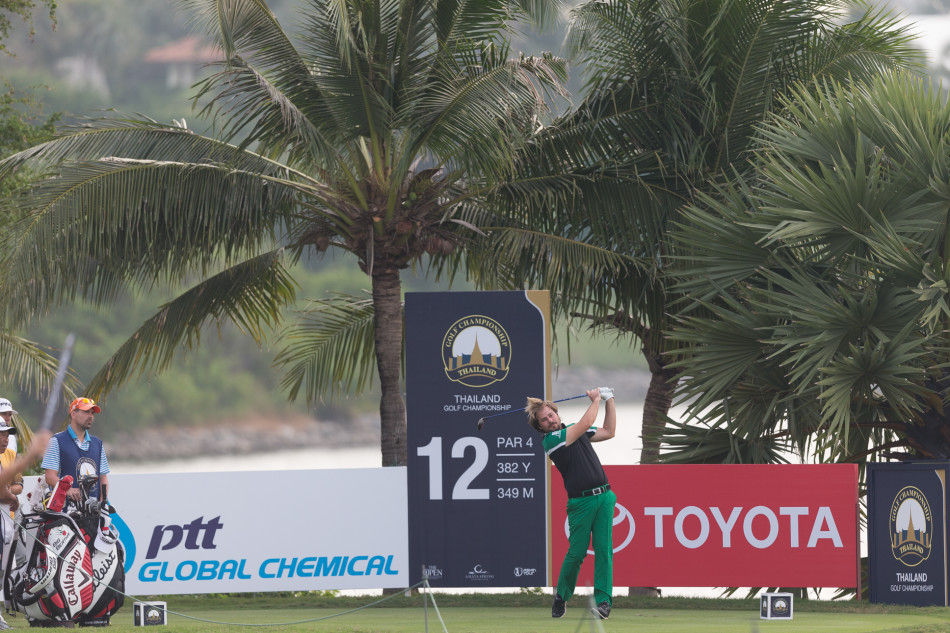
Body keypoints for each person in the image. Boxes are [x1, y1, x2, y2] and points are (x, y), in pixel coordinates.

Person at [527, 386, 617, 621]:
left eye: (551, 415)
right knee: (577, 553)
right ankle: (562, 596)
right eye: (544, 420)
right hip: (580, 503)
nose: (550, 420)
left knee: (604, 550)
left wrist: (609, 399)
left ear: (557, 413)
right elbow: (586, 423)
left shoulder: (574, 431)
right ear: (540, 427)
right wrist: (596, 399)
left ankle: (604, 602)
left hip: (605, 497)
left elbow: (609, 431)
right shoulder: (551, 441)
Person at [41, 397, 111, 509]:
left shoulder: (98, 444)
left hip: (93, 512)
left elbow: (103, 478)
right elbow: (49, 476)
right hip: (64, 512)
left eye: (92, 413)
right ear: (73, 414)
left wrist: (103, 503)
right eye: (86, 412)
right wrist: (68, 489)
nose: (90, 416)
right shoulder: (57, 441)